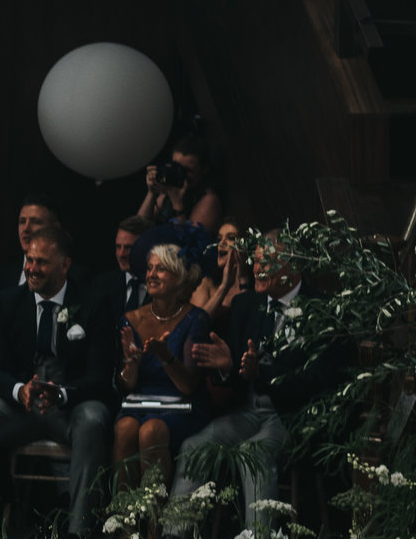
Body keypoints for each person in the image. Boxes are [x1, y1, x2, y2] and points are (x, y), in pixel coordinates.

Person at [0, 223, 118, 539]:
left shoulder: (92, 302)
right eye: (28, 260)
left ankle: (78, 535)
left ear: (65, 264)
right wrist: (20, 391)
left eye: (41, 262)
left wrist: (61, 394)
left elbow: (100, 377)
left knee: (94, 419)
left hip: (70, 407)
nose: (32, 269)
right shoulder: (9, 301)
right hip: (22, 407)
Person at [181, 244, 341, 513]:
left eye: (267, 262)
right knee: (193, 446)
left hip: (294, 417)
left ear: (294, 266)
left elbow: (320, 379)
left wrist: (263, 373)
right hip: (247, 412)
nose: (257, 269)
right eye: (255, 262)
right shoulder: (246, 304)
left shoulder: (322, 309)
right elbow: (235, 374)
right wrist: (227, 366)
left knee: (253, 453)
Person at [112, 243, 212, 496]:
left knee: (151, 431)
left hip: (182, 407)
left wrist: (166, 357)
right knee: (124, 429)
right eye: (149, 268)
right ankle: (125, 525)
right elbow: (124, 386)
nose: (152, 275)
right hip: (139, 404)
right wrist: (131, 367)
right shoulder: (130, 319)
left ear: (179, 278)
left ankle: (155, 527)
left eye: (162, 269)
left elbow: (189, 385)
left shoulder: (195, 319)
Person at [140, 133, 225, 230]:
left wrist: (178, 205)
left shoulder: (209, 200)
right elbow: (137, 229)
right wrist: (151, 192)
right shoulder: (170, 191)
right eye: (176, 167)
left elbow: (189, 241)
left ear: (204, 169)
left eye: (187, 170)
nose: (180, 173)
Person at [193, 219, 249, 325]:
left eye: (231, 238)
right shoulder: (206, 283)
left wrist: (243, 279)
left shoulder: (256, 285)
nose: (222, 243)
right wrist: (224, 286)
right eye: (219, 238)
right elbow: (195, 326)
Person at [101, 215, 151, 314]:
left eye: (128, 248)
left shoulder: (164, 288)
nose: (121, 254)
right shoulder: (102, 286)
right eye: (118, 247)